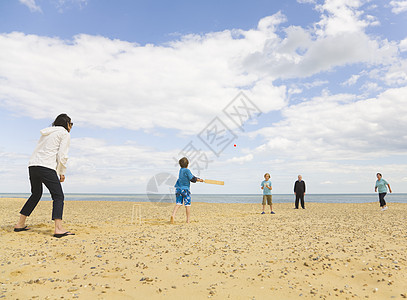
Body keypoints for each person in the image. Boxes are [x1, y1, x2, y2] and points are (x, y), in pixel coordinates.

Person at [14, 114, 75, 238]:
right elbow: (62, 155)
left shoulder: (46, 133)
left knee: (36, 194)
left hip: (33, 165)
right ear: (66, 124)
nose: (71, 127)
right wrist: (61, 172)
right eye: (71, 124)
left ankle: (20, 224)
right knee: (58, 196)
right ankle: (58, 228)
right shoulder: (64, 133)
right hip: (46, 166)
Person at [170, 157, 203, 224]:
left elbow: (191, 176)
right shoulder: (187, 170)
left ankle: (173, 215)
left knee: (178, 204)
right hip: (185, 190)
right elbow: (192, 178)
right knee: (187, 205)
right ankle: (187, 220)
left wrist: (198, 179)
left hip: (178, 189)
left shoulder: (181, 170)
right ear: (187, 164)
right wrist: (199, 180)